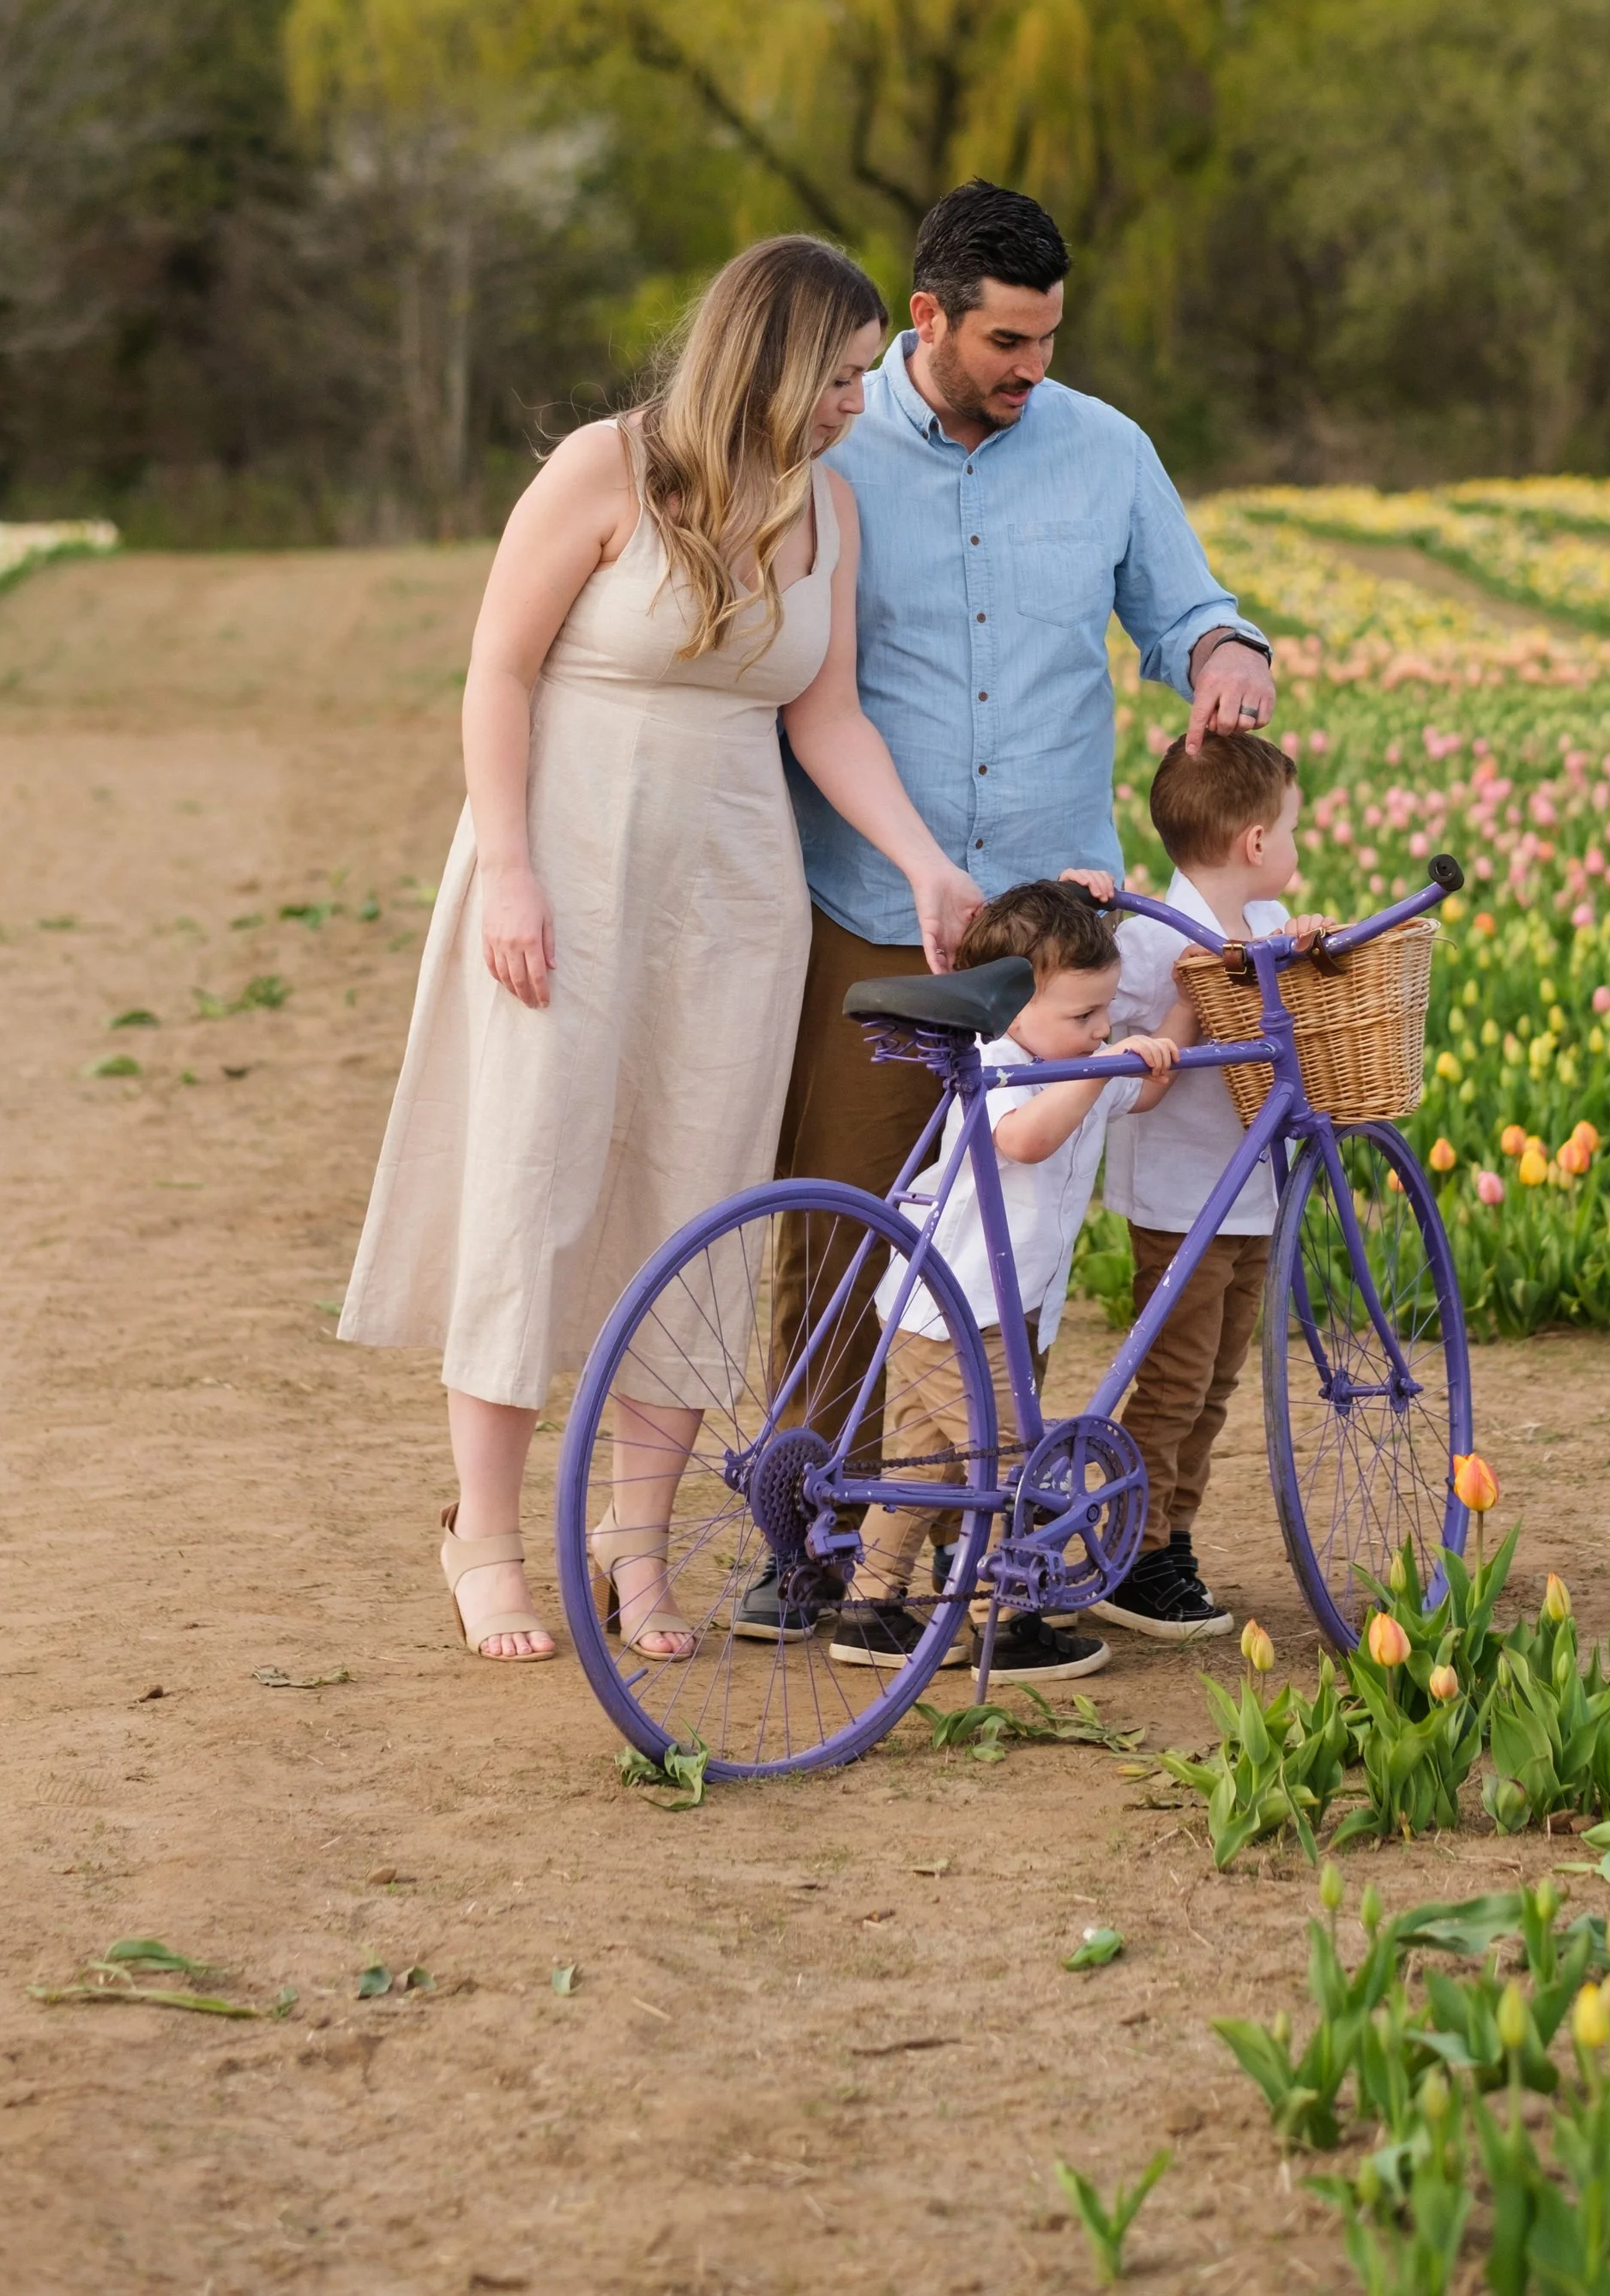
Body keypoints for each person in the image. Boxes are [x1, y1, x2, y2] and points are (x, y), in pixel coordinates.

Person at [338, 237, 983, 1663]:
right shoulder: (603, 468)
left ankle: (640, 1551)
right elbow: (498, 670)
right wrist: (508, 870)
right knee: (536, 1184)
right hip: (562, 875)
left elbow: (826, 720)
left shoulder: (828, 513)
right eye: (838, 376)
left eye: (867, 380)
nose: (854, 408)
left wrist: (925, 863)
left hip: (728, 900)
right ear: (765, 356)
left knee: (696, 1201)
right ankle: (489, 1541)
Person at [747, 180, 1276, 1635]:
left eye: (1046, 340)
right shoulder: (838, 452)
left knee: (1012, 1233)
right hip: (876, 894)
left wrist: (1231, 657)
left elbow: (1188, 612)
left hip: (1055, 927)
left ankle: (971, 1541)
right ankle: (825, 1545)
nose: (1031, 369)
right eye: (1004, 342)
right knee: (855, 1226)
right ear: (927, 317)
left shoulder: (1107, 452)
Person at [828, 881, 1185, 1686]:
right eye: (1081, 1016)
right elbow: (1025, 1140)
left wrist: (1180, 1015)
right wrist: (1102, 1065)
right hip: (962, 1309)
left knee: (924, 1471)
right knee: (1011, 1466)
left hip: (959, 1306)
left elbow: (1153, 1082)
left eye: (1104, 1012)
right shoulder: (998, 1065)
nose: (1100, 1028)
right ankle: (1006, 1619)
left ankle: (871, 1606)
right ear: (1014, 1012)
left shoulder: (1080, 1058)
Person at [1090, 731, 1325, 1640]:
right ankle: (1135, 1553)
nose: (1299, 845)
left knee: (1217, 1382)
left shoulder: (1269, 928)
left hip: (1253, 1197)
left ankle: (1172, 1537)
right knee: (1174, 1384)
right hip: (1180, 1203)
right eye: (1294, 829)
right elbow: (1132, 1086)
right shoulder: (1152, 941)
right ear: (1254, 844)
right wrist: (1190, 1002)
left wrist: (1312, 951)